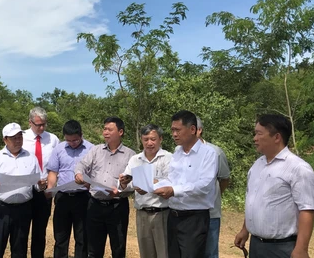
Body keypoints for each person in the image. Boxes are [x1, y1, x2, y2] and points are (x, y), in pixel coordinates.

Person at [234, 114, 314, 258]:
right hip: (256, 245)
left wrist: (301, 249)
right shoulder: (257, 165)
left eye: (259, 134)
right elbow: (254, 201)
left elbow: (307, 210)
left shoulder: (299, 169)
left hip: (282, 248)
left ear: (277, 137)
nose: (254, 138)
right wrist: (245, 230)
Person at [154, 110, 218, 258]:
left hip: (194, 219)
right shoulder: (177, 152)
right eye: (172, 130)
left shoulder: (208, 153)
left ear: (192, 129)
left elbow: (204, 185)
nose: (174, 134)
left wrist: (173, 190)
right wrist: (156, 185)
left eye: (178, 130)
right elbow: (172, 180)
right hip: (174, 216)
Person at [0, 123, 46, 258]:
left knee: (20, 249)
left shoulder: (31, 158)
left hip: (23, 210)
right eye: (14, 138)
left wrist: (41, 185)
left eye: (20, 137)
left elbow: (36, 185)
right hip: (0, 210)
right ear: (5, 140)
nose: (18, 141)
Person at [74, 116, 136, 258]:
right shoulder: (96, 150)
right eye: (104, 129)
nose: (105, 132)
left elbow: (135, 182)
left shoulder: (131, 155)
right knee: (93, 249)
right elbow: (81, 165)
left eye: (110, 129)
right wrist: (78, 174)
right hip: (94, 205)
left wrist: (121, 190)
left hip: (117, 207)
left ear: (120, 132)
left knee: (118, 248)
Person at [119, 124, 172, 258]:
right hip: (142, 213)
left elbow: (170, 183)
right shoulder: (135, 159)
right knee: (146, 253)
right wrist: (123, 183)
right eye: (145, 139)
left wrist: (148, 185)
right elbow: (128, 182)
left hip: (162, 213)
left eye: (153, 139)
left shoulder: (168, 158)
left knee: (164, 253)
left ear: (161, 139)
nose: (149, 143)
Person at [46, 120, 94, 258]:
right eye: (69, 140)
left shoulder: (91, 149)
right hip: (63, 197)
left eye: (75, 140)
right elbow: (53, 172)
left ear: (81, 135)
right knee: (60, 236)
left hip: (83, 197)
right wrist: (50, 189)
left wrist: (88, 183)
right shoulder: (59, 148)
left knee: (83, 236)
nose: (72, 143)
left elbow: (95, 173)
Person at [22, 107, 60, 258]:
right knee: (22, 229)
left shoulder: (53, 139)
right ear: (30, 122)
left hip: (44, 190)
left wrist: (51, 189)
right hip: (24, 190)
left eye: (44, 124)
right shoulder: (21, 138)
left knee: (40, 230)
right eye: (38, 124)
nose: (42, 127)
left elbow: (57, 165)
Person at [195, 117, 230, 258]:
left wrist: (214, 195)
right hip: (188, 214)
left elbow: (225, 179)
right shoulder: (179, 152)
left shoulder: (216, 152)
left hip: (211, 214)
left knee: (210, 252)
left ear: (198, 130)